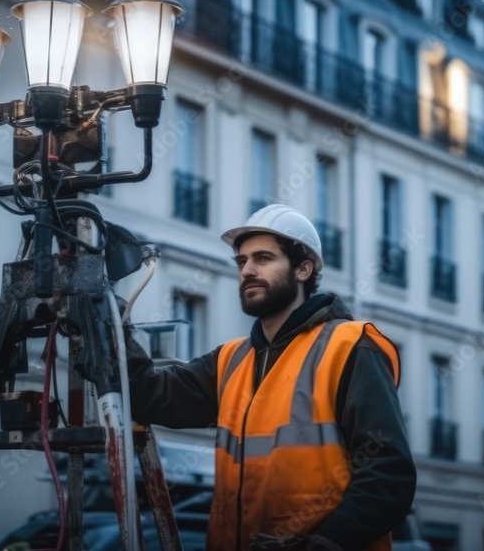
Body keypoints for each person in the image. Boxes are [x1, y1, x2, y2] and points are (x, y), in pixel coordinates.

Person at [127, 204, 416, 550]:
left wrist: (327, 543)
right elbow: (149, 395)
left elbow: (387, 471)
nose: (247, 270)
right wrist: (108, 327)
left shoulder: (351, 346)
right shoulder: (230, 360)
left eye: (263, 259)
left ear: (303, 269)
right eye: (242, 261)